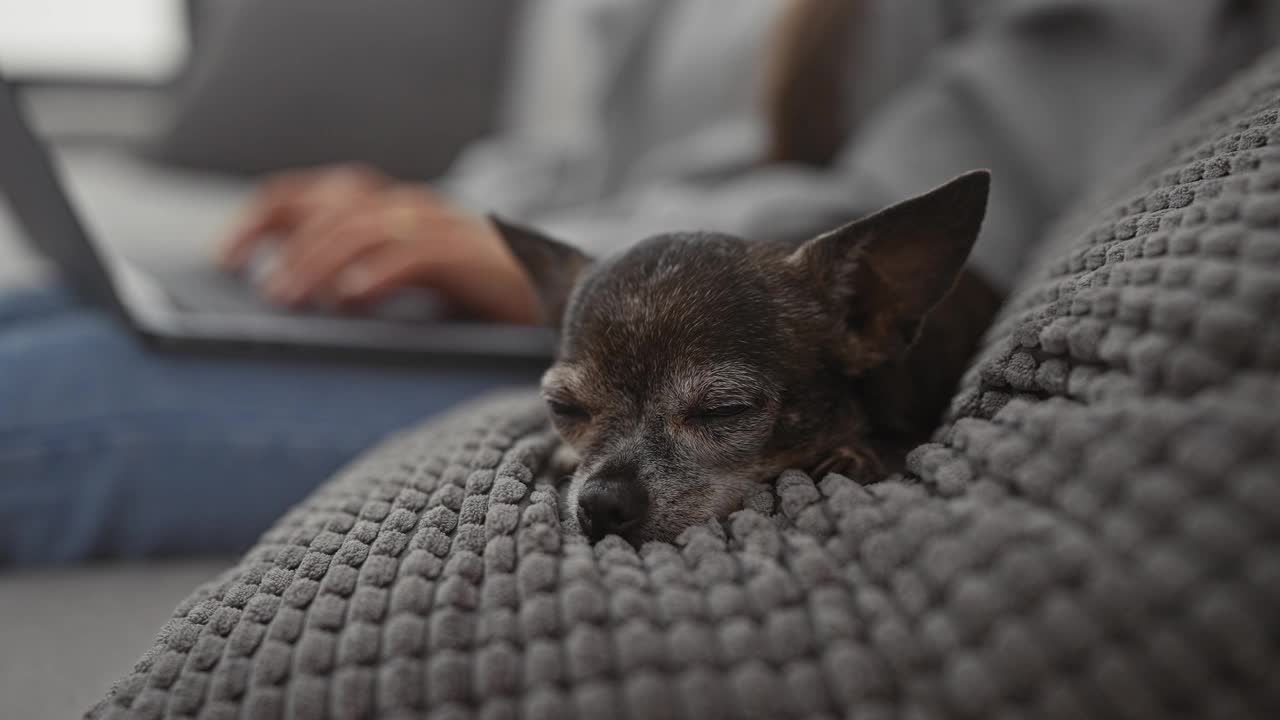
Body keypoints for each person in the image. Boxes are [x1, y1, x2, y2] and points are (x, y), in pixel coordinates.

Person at [2, 0, 1274, 565]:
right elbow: (554, 154)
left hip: (667, 302)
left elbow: (958, 167)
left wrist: (569, 250)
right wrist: (426, 213)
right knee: (43, 321)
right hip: (558, 292)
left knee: (38, 410)